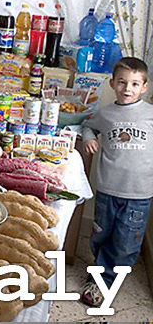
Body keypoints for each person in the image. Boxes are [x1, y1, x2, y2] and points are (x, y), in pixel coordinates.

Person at [80, 57, 153, 306]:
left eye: (134, 84)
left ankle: (104, 282)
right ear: (112, 83)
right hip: (107, 189)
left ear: (144, 87)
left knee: (125, 242)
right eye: (122, 82)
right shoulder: (105, 113)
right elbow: (88, 126)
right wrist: (89, 138)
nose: (127, 88)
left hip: (139, 194)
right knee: (101, 235)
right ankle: (101, 268)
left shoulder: (150, 114)